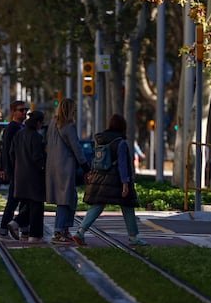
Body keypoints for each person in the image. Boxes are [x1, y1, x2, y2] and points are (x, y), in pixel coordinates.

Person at [74, 114, 144, 246]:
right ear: (123, 127)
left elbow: (96, 160)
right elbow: (123, 165)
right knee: (128, 206)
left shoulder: (100, 141)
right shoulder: (121, 143)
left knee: (98, 205)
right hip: (116, 181)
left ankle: (80, 232)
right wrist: (125, 183)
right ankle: (134, 237)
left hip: (99, 179)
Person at [45, 97, 88, 244]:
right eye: (74, 109)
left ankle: (64, 229)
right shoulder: (68, 126)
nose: (75, 112)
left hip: (52, 166)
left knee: (67, 199)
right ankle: (59, 230)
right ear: (70, 110)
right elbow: (76, 146)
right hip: (65, 167)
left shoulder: (52, 123)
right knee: (65, 200)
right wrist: (84, 165)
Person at [12, 110, 47, 243]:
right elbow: (37, 157)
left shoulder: (19, 135)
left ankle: (16, 223)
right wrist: (43, 167)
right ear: (37, 122)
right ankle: (34, 235)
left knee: (28, 204)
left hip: (20, 175)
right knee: (37, 204)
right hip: (34, 176)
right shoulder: (36, 137)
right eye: (41, 122)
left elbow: (12, 153)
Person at [0, 100, 30, 238]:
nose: (24, 113)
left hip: (21, 170)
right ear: (13, 112)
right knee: (13, 200)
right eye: (21, 110)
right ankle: (5, 228)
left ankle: (23, 227)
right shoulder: (12, 128)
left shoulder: (21, 127)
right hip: (16, 170)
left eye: (25, 110)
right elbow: (5, 149)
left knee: (22, 199)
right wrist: (4, 168)